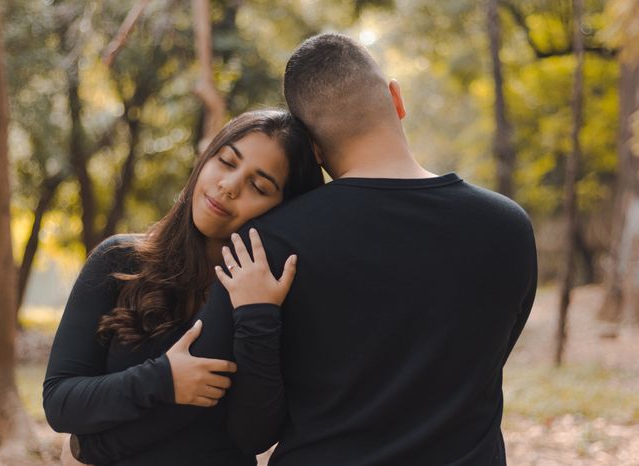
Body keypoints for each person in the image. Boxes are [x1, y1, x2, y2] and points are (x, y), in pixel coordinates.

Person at [61, 34, 537, 466]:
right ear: (396, 98)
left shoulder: (270, 244)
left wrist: (98, 445)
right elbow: (490, 357)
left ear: (311, 149)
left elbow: (244, 425)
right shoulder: (510, 227)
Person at [43, 109, 324, 466]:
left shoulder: (274, 294)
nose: (229, 185)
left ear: (283, 210)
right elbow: (61, 401)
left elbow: (254, 436)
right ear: (206, 159)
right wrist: (161, 379)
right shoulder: (119, 260)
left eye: (259, 186)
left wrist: (259, 316)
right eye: (226, 161)